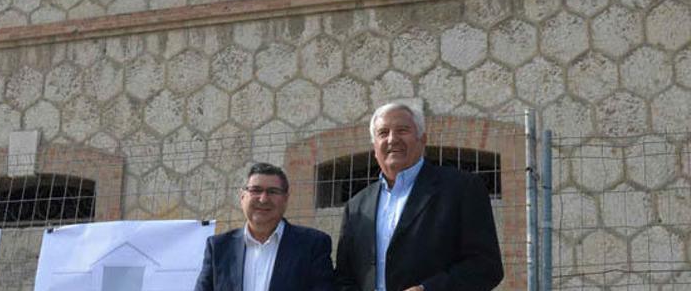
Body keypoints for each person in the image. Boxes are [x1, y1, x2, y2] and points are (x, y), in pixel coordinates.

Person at [335, 101, 503, 291]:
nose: (392, 139)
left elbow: (486, 266)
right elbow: (344, 277)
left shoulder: (461, 188)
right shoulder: (356, 206)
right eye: (383, 133)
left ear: (422, 139)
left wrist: (428, 289)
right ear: (374, 148)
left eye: (402, 130)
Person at [195, 162, 335, 291]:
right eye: (256, 190)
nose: (263, 199)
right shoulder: (219, 248)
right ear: (242, 196)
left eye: (273, 192)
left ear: (285, 199)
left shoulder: (313, 245)